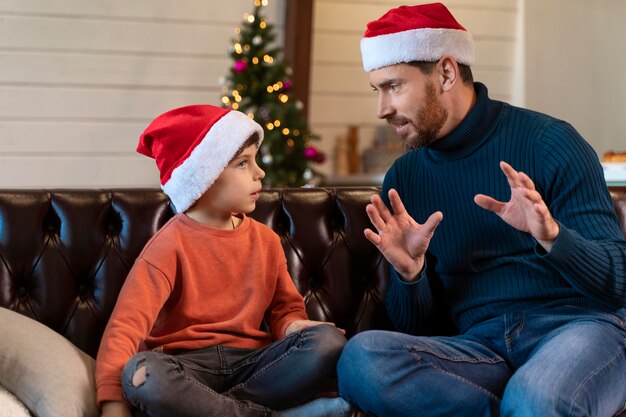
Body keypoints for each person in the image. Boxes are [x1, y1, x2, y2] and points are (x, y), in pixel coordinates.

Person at [337, 3, 626, 417]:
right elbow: (418, 330)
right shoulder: (406, 177)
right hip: (479, 350)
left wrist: (552, 237)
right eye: (377, 90)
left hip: (578, 331)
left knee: (537, 396)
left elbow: (618, 282)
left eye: (394, 87)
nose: (381, 108)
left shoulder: (550, 142)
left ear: (447, 73)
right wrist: (410, 274)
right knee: (361, 359)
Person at [96, 104, 353, 417]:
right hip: (186, 368)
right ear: (204, 177)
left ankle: (203, 410)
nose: (260, 172)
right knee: (141, 373)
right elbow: (125, 328)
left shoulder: (266, 241)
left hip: (251, 366)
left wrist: (293, 326)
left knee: (327, 342)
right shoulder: (167, 245)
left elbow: (284, 310)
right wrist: (113, 406)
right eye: (243, 163)